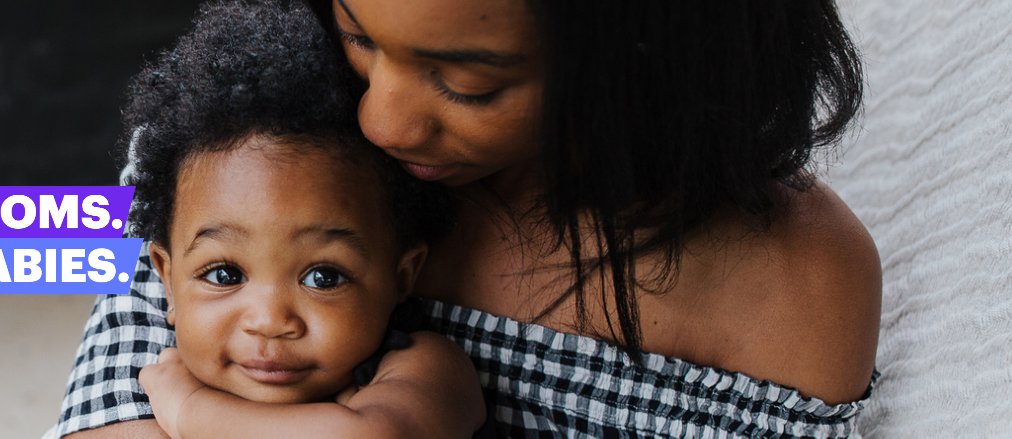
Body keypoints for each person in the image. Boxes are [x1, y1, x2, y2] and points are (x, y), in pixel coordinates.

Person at [52, 0, 882, 436]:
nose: (380, 122)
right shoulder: (265, 135)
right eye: (358, 35)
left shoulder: (793, 288)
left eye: (468, 84)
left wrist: (187, 409)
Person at [120, 3, 485, 436]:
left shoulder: (423, 367)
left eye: (324, 278)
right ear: (167, 281)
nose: (270, 321)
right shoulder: (168, 362)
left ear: (401, 276)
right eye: (224, 274)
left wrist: (189, 410)